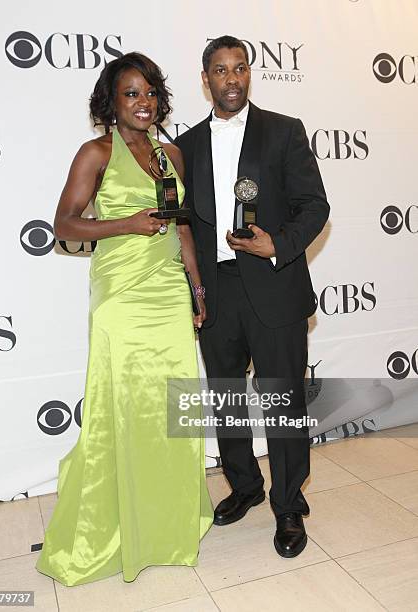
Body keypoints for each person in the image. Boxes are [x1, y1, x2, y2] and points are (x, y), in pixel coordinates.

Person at [35, 52, 213, 586]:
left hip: (166, 293)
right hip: (121, 295)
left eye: (151, 92)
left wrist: (196, 287)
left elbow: (181, 227)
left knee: (171, 408)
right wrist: (124, 223)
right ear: (111, 102)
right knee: (124, 406)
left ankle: (166, 523)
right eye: (131, 93)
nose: (144, 102)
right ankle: (107, 528)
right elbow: (63, 224)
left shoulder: (173, 155)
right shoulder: (96, 153)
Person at [175, 36, 329, 558]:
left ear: (249, 74)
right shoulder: (186, 144)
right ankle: (244, 486)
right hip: (215, 292)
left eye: (240, 68)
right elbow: (183, 228)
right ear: (206, 79)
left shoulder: (283, 131)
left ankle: (288, 505)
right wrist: (192, 288)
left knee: (284, 402)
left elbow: (314, 205)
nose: (232, 78)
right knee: (227, 402)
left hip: (274, 285)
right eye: (220, 70)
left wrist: (277, 245)